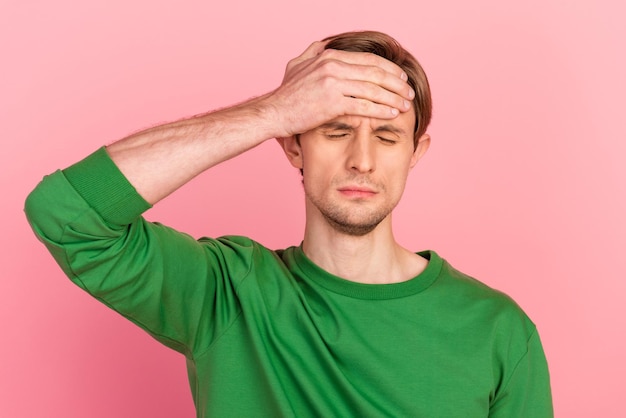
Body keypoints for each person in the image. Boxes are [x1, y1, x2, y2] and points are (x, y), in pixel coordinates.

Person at [24, 31, 553, 417]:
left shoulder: (498, 331)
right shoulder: (226, 294)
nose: (362, 160)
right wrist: (271, 111)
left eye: (388, 137)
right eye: (334, 130)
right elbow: (66, 214)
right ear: (293, 146)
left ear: (416, 153)